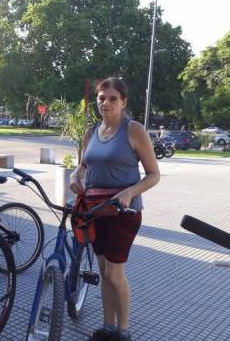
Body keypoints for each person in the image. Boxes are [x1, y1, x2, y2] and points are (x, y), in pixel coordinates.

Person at [69, 77, 160, 341]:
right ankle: (107, 327)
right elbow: (84, 165)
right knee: (102, 271)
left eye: (112, 99)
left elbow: (154, 174)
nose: (106, 103)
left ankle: (123, 331)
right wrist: (75, 176)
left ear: (123, 102)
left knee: (114, 273)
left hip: (124, 213)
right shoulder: (91, 132)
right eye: (101, 98)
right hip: (94, 211)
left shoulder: (133, 130)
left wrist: (129, 192)